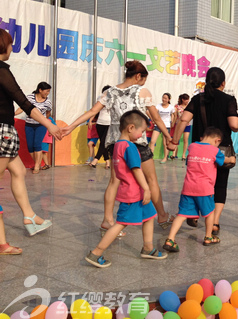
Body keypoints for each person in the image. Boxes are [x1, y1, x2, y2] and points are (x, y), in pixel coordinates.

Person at [63, 60, 175, 234]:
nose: (144, 83)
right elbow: (157, 119)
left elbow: (92, 112)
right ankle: (161, 215)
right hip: (137, 142)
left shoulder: (110, 92)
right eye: (143, 79)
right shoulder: (142, 91)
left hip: (116, 142)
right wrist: (168, 137)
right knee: (151, 180)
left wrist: (70, 127)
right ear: (138, 76)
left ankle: (107, 220)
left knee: (114, 181)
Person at [85, 111, 168, 268]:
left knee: (149, 216)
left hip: (131, 191)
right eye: (141, 131)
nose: (142, 135)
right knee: (121, 224)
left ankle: (148, 248)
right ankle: (96, 252)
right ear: (131, 128)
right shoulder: (130, 147)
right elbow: (137, 169)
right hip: (134, 193)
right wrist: (147, 189)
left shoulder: (118, 145)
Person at [0, 28, 61, 236]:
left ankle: (29, 215)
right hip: (2, 132)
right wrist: (50, 125)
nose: (11, 48)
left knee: (19, 171)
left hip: (4, 132)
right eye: (10, 44)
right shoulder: (1, 70)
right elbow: (24, 103)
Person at [167, 67, 238, 236]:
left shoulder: (197, 99)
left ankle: (193, 212)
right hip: (221, 148)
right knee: (220, 185)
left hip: (198, 151)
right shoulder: (229, 99)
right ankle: (214, 222)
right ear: (223, 83)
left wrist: (175, 141)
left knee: (196, 181)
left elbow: (184, 119)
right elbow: (235, 126)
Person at [163, 127, 235, 252]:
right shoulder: (215, 150)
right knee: (209, 213)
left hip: (188, 187)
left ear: (202, 138)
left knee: (181, 214)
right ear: (217, 141)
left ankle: (170, 239)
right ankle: (208, 237)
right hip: (205, 189)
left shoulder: (192, 146)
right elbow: (223, 161)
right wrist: (231, 159)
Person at [15, 81, 52, 174]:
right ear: (40, 90)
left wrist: (45, 121)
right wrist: (13, 113)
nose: (47, 93)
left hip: (41, 125)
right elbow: (22, 107)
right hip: (29, 124)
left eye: (49, 92)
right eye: (46, 91)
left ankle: (36, 166)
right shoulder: (30, 98)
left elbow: (48, 113)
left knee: (37, 144)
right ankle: (38, 163)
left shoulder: (48, 102)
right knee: (30, 147)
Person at [89, 85, 111, 169]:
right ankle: (107, 162)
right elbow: (95, 110)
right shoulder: (100, 98)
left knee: (104, 142)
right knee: (103, 142)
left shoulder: (113, 100)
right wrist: (91, 120)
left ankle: (95, 160)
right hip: (100, 123)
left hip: (109, 123)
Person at [150, 93, 175, 163]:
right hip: (158, 125)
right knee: (152, 141)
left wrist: (172, 122)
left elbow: (174, 115)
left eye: (165, 98)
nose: (164, 99)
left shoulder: (171, 107)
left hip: (166, 126)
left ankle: (165, 157)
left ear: (169, 99)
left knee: (165, 143)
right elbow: (153, 113)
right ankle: (150, 157)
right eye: (163, 98)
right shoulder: (158, 106)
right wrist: (153, 120)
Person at [173, 93, 191, 160]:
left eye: (188, 99)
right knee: (176, 139)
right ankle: (174, 154)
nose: (187, 101)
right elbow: (174, 115)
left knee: (185, 139)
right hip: (179, 124)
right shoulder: (177, 106)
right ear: (183, 100)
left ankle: (183, 155)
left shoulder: (189, 106)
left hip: (187, 125)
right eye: (186, 99)